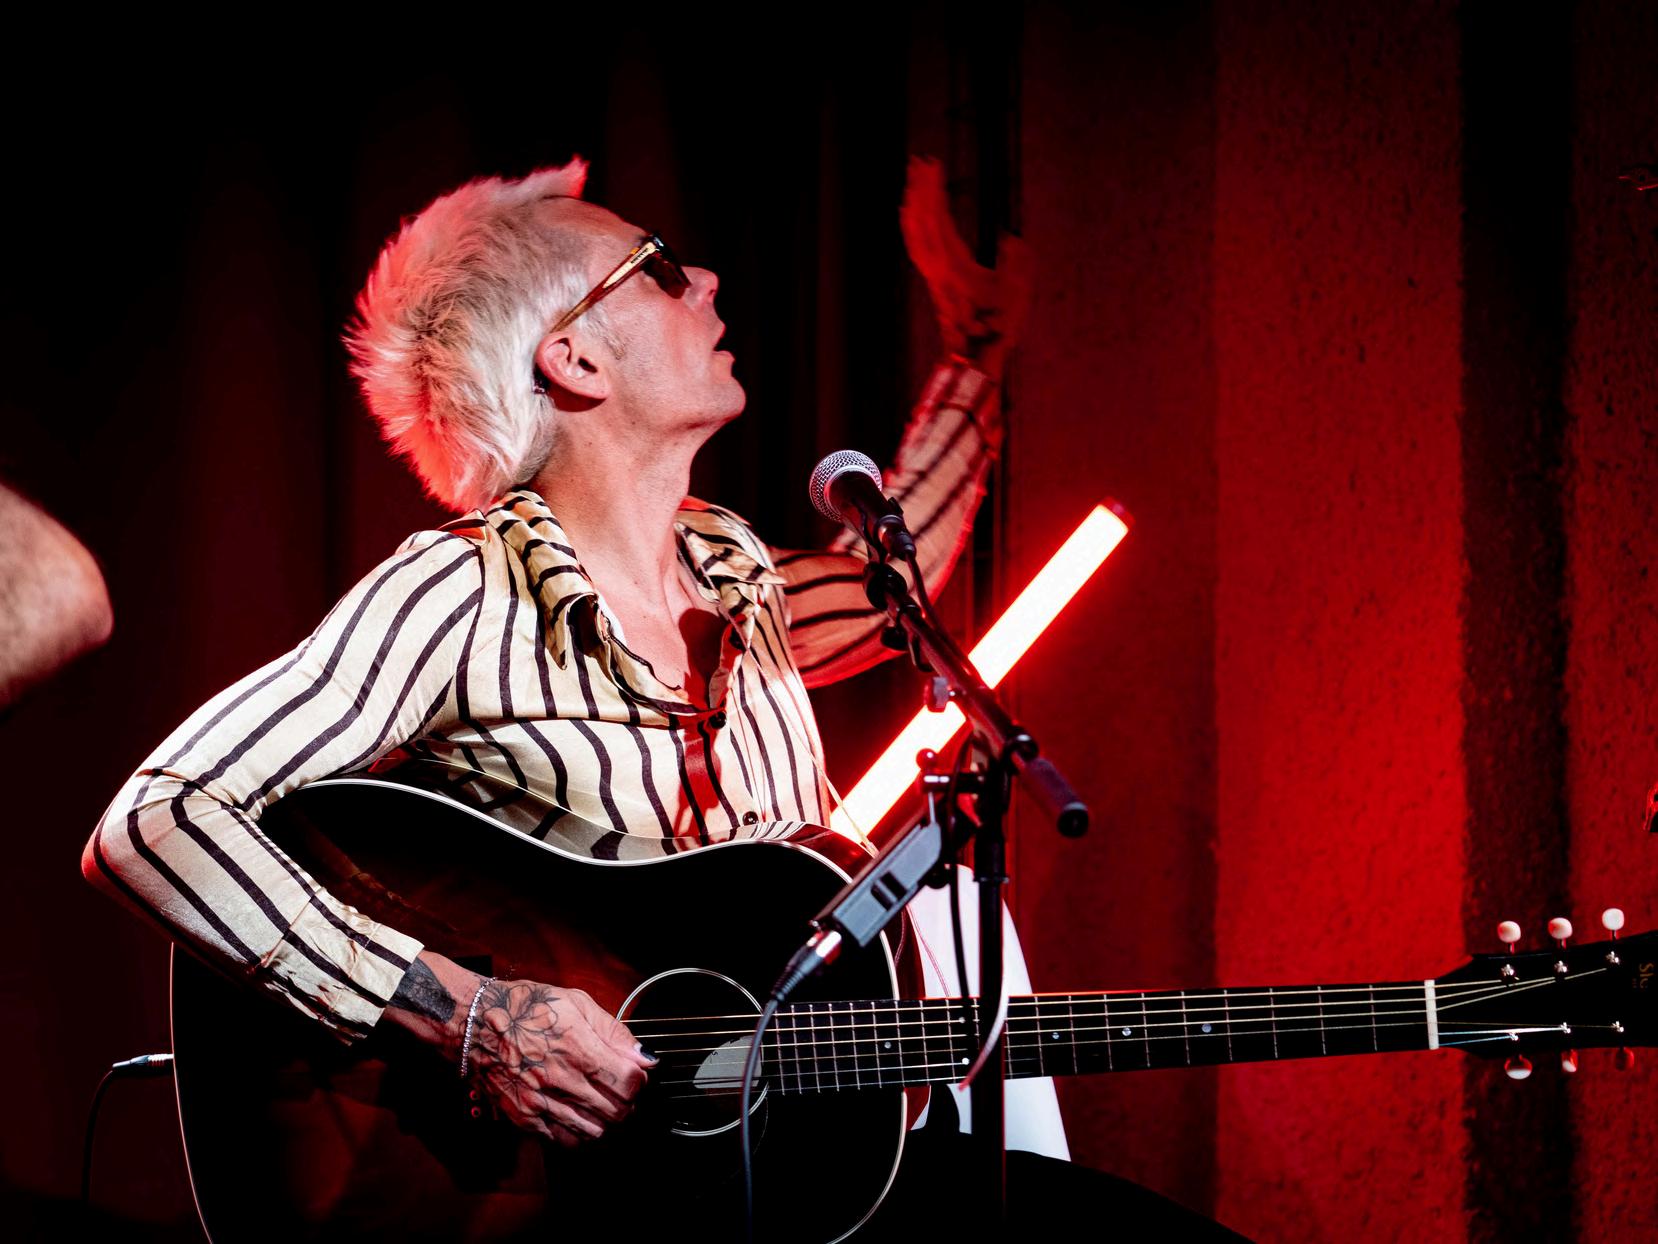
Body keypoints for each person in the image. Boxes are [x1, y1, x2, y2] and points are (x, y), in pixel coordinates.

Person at [82, 157, 1237, 1238]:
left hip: (782, 1180)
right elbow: (155, 818)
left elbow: (898, 578)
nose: (711, 281)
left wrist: (975, 352)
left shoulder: (741, 583)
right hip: (562, 1207)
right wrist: (466, 1014)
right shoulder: (460, 591)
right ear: (574, 360)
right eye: (662, 270)